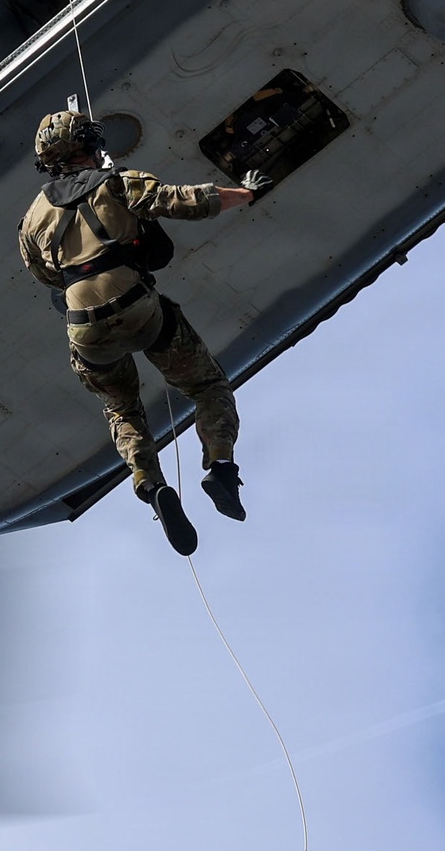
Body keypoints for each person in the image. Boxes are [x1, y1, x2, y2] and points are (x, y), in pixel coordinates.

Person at [19, 109, 270, 555]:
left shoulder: (31, 220)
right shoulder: (117, 182)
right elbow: (185, 201)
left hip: (83, 328)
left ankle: (150, 484)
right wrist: (246, 193)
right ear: (83, 145)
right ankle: (221, 467)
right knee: (207, 385)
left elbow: (45, 277)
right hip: (138, 308)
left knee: (121, 408)